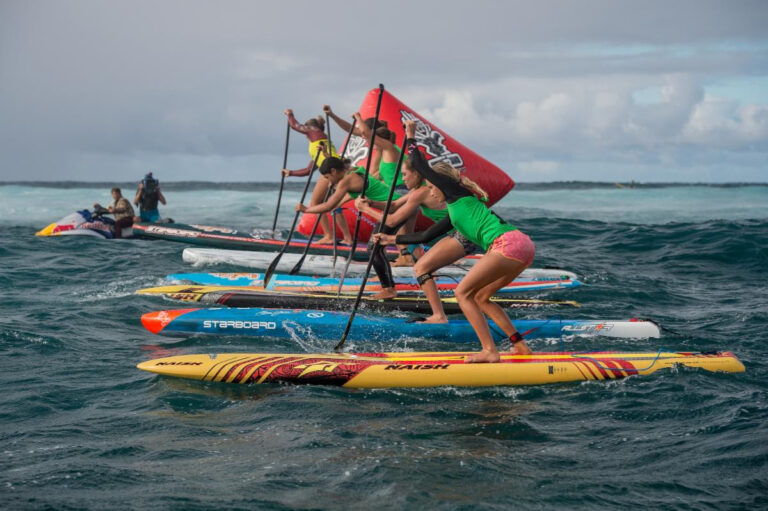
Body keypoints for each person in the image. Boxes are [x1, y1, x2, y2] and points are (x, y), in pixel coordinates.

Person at [373, 120, 536, 362]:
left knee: (463, 294)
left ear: (440, 184)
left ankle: (490, 352)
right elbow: (425, 236)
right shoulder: (456, 211)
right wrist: (390, 238)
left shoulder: (455, 193)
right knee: (481, 297)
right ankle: (519, 345)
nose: (432, 191)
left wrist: (410, 136)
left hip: (506, 245)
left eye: (431, 186)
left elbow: (418, 163)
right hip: (523, 246)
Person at [295, 156, 401, 299]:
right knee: (388, 245)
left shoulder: (345, 181)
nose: (328, 183)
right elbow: (347, 198)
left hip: (393, 208)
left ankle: (388, 289)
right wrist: (337, 205)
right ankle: (414, 276)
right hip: (398, 204)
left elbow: (328, 205)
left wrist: (305, 210)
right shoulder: (355, 173)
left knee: (374, 247)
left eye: (327, 177)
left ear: (333, 171)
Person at [282, 108, 352, 245]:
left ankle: (328, 236)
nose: (306, 135)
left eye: (306, 131)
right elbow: (309, 170)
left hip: (331, 172)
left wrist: (290, 114)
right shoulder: (318, 144)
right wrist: (290, 173)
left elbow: (294, 125)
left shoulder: (315, 133)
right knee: (335, 206)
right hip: (337, 171)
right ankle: (348, 239)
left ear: (311, 128)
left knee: (316, 204)